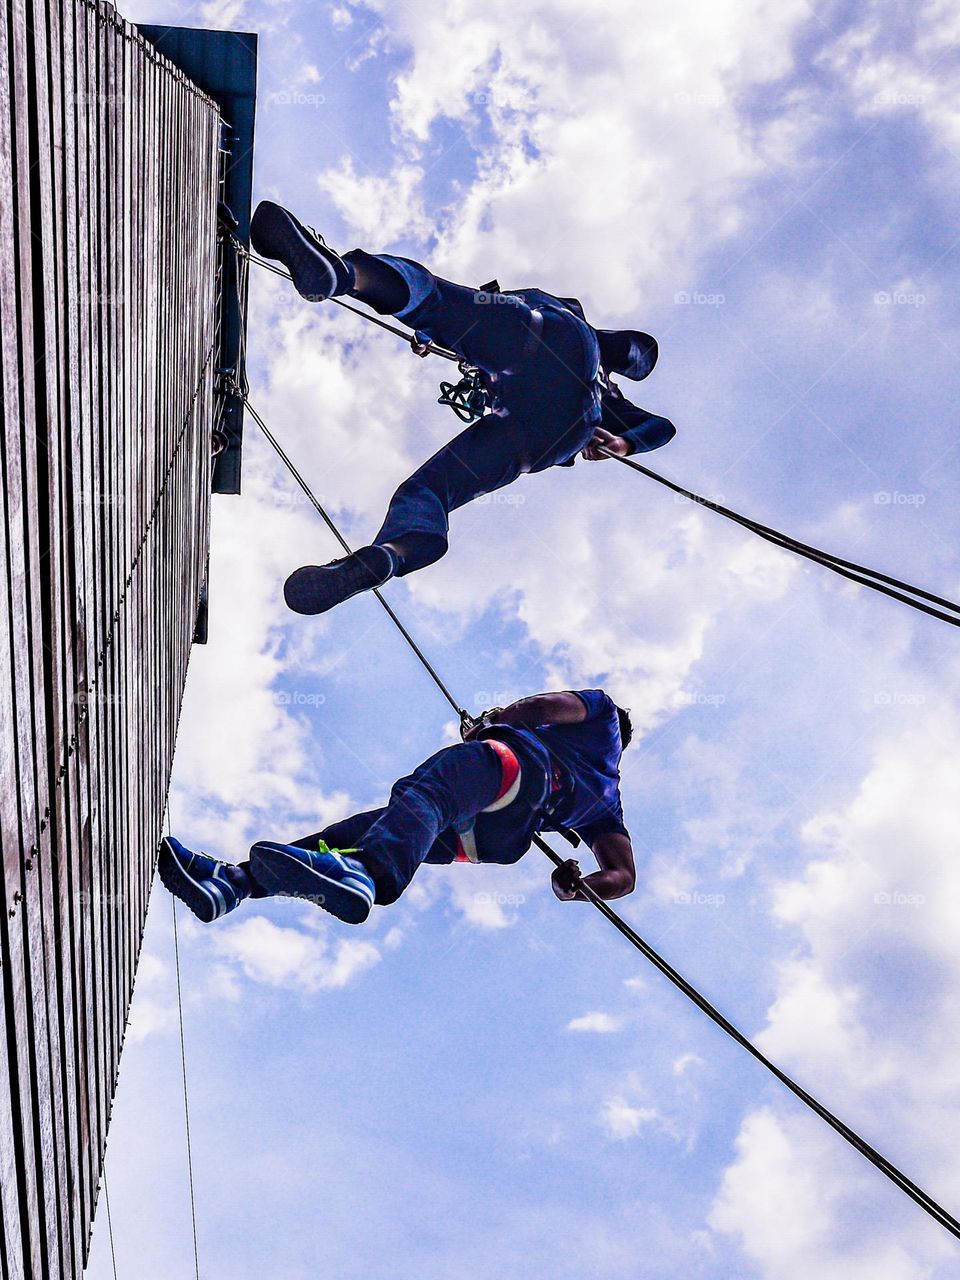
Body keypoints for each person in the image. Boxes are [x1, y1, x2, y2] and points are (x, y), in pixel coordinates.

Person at [249, 200, 676, 615]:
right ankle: (389, 557)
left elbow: (475, 311)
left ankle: (345, 273)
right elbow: (660, 427)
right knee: (430, 490)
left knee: (432, 299)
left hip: (545, 342)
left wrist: (439, 326)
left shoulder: (580, 326)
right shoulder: (613, 399)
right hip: (552, 436)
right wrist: (623, 442)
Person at [158, 690, 635, 925]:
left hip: (514, 770)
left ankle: (366, 875)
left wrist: (492, 723)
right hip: (495, 839)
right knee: (372, 828)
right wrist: (575, 888)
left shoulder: (605, 717)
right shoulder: (607, 805)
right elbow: (623, 877)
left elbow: (545, 707)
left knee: (428, 793)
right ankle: (235, 884)